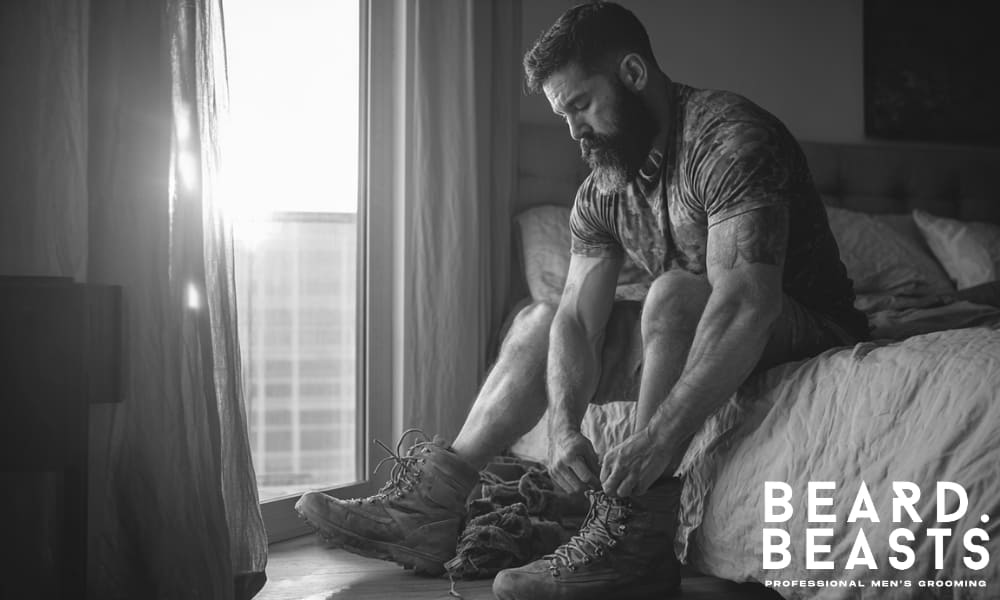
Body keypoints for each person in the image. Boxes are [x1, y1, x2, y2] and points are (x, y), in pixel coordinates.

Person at [295, 2, 869, 599]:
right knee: (538, 319)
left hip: (802, 326)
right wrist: (564, 429)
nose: (573, 130)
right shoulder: (603, 188)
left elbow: (748, 302)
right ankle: (432, 507)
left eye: (579, 105)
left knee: (670, 294)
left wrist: (657, 438)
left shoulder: (728, 140)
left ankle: (635, 535)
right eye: (561, 113)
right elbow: (574, 317)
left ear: (633, 74)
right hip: (696, 324)